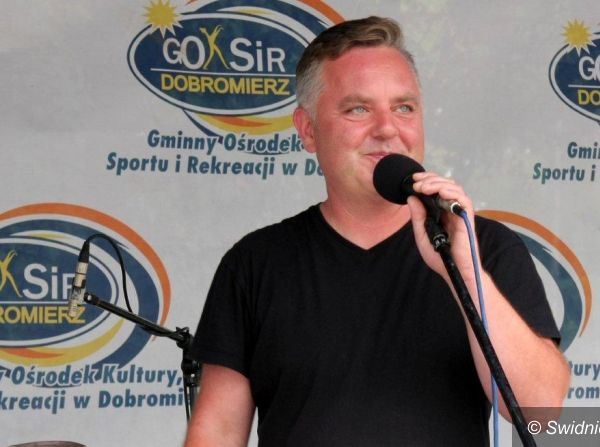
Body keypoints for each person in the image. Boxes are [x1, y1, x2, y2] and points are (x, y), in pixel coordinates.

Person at [184, 16, 569, 446]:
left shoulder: (484, 247)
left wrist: (463, 267)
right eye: (359, 109)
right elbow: (217, 431)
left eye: (404, 108)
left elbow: (540, 412)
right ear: (308, 130)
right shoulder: (256, 263)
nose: (387, 128)